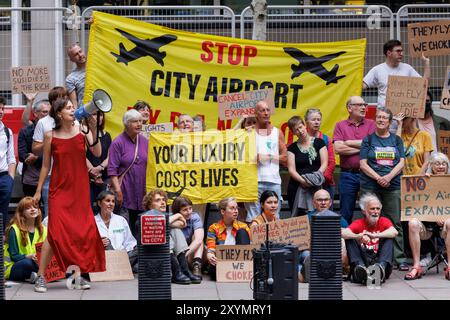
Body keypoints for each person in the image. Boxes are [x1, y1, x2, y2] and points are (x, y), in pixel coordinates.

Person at [32, 97, 106, 293]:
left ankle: (77, 276)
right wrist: (39, 191)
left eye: (73, 107)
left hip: (79, 190)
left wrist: (92, 127)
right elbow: (46, 165)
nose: (73, 110)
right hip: (58, 189)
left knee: (81, 232)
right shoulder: (50, 135)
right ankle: (41, 277)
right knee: (55, 233)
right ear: (58, 114)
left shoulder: (82, 130)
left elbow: (97, 152)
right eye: (68, 108)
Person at [360, 107, 407, 270]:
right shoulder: (368, 140)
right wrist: (378, 178)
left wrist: (388, 177)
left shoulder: (396, 140)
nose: (380, 120)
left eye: (384, 118)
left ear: (389, 121)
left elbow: (401, 162)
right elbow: (363, 164)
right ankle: (368, 256)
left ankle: (399, 259)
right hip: (370, 185)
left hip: (392, 186)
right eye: (378, 117)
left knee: (395, 222)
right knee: (369, 221)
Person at [405, 152, 450, 281]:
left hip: (446, 226)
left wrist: (444, 216)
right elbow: (416, 206)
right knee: (412, 223)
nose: (441, 166)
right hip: (427, 226)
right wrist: (423, 181)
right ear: (431, 166)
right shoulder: (424, 180)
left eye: (443, 164)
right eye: (437, 164)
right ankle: (416, 266)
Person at [142, 189, 201, 284]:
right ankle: (177, 272)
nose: (162, 202)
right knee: (164, 231)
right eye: (157, 200)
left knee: (175, 230)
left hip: (166, 252)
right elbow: (156, 223)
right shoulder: (144, 216)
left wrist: (165, 223)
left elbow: (182, 224)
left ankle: (185, 270)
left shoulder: (167, 215)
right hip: (152, 253)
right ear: (149, 205)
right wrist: (177, 215)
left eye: (163, 200)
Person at [333, 96, 376, 224]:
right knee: (345, 211)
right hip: (348, 174)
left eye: (364, 104)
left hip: (367, 174)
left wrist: (349, 143)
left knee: (370, 210)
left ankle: (369, 241)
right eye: (359, 105)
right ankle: (345, 242)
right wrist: (364, 147)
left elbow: (374, 148)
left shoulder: (371, 124)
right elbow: (338, 149)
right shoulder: (340, 125)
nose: (364, 107)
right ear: (349, 108)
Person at [244, 101, 287, 223]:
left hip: (274, 180)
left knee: (274, 218)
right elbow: (240, 157)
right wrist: (254, 158)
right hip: (253, 181)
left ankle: (273, 242)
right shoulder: (249, 132)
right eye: (262, 110)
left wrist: (268, 157)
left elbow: (285, 158)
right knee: (253, 218)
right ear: (255, 113)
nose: (266, 113)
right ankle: (255, 243)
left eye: (268, 110)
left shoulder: (277, 132)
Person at [108, 109, 148, 237]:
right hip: (124, 193)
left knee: (141, 231)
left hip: (142, 194)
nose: (139, 124)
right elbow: (112, 170)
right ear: (126, 124)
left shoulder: (144, 141)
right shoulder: (118, 142)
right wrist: (118, 191)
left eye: (140, 121)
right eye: (135, 121)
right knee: (125, 231)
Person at [342, 193, 397, 284]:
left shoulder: (384, 221)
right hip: (364, 261)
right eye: (372, 209)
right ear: (364, 211)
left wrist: (375, 235)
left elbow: (394, 232)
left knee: (389, 237)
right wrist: (358, 236)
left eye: (378, 209)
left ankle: (380, 268)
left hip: (380, 261)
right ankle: (360, 268)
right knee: (349, 238)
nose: (375, 212)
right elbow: (343, 233)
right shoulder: (358, 223)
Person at [32, 86, 70, 218]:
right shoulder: (43, 122)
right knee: (51, 217)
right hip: (50, 176)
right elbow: (35, 148)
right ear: (52, 102)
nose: (63, 100)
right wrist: (50, 140)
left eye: (65, 97)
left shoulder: (73, 121)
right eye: (59, 98)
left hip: (70, 176)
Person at [362, 39, 430, 108]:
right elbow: (362, 86)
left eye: (401, 51)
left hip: (404, 114)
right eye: (398, 51)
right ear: (389, 53)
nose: (401, 53)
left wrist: (427, 63)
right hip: (384, 115)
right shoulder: (377, 70)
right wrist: (360, 64)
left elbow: (424, 85)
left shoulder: (407, 68)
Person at [287, 115, 327, 216]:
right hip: (297, 186)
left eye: (300, 127)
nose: (300, 131)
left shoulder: (319, 142)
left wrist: (314, 179)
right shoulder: (292, 148)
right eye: (296, 130)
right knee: (298, 219)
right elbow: (291, 170)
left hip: (316, 185)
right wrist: (303, 181)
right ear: (293, 132)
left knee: (318, 215)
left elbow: (324, 163)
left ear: (305, 125)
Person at [3, 197, 46, 282]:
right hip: (13, 266)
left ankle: (36, 276)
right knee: (28, 263)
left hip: (37, 263)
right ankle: (41, 275)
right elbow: (14, 256)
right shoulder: (14, 230)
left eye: (35, 207)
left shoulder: (43, 229)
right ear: (22, 213)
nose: (33, 210)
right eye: (28, 208)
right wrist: (29, 257)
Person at [206, 197, 251, 279]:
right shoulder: (214, 227)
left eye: (237, 208)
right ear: (223, 211)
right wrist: (210, 254)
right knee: (214, 269)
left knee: (242, 231)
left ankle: (242, 271)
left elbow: (250, 248)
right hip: (222, 263)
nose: (236, 211)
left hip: (240, 264)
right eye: (232, 208)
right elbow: (211, 247)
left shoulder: (243, 226)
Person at [94, 190, 137, 272]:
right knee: (107, 242)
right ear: (99, 203)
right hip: (103, 257)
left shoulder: (121, 220)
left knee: (140, 248)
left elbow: (130, 242)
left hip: (122, 256)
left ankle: (122, 265)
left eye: (113, 201)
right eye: (107, 201)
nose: (111, 204)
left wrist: (126, 252)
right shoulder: (92, 221)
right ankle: (126, 267)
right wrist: (98, 243)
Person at [18, 100, 51, 197]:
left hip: (50, 178)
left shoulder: (56, 131)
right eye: (45, 112)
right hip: (30, 180)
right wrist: (28, 157)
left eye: (50, 112)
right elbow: (21, 155)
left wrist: (36, 157)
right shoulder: (25, 131)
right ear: (35, 114)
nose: (48, 115)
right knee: (31, 209)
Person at [305, 108, 336, 207]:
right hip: (306, 184)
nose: (316, 122)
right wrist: (308, 180)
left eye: (318, 119)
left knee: (326, 216)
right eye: (313, 120)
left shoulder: (326, 139)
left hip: (326, 184)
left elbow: (331, 163)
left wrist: (319, 180)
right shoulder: (301, 139)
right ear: (306, 122)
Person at [172, 195, 204, 279]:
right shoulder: (173, 218)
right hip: (176, 253)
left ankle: (197, 266)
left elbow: (198, 240)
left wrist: (183, 256)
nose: (189, 212)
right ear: (178, 212)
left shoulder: (194, 217)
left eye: (190, 208)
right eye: (185, 210)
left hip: (191, 253)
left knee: (198, 239)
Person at [86, 111, 112, 210]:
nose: (97, 117)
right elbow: (81, 155)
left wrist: (100, 168)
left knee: (103, 210)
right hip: (87, 178)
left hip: (104, 178)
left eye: (100, 115)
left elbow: (110, 156)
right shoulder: (83, 133)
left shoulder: (107, 135)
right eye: (93, 114)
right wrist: (92, 170)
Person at [0, 96, 16, 230]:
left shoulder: (7, 131)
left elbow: (11, 158)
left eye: (2, 108)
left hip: (4, 178)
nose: (1, 111)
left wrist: (10, 179)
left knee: (2, 216)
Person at [66, 43, 86, 109]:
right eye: (76, 54)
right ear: (71, 59)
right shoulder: (70, 78)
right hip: (85, 113)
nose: (80, 55)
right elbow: (74, 103)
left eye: (80, 51)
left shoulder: (97, 67)